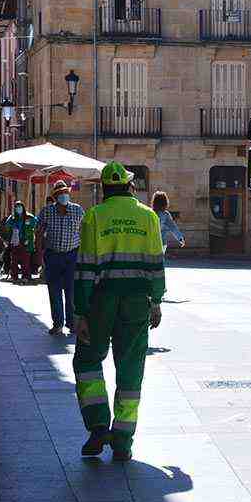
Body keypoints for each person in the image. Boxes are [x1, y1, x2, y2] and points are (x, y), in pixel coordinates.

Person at [72, 161, 165, 461]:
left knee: (87, 361)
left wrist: (80, 311)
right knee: (131, 369)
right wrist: (157, 300)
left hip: (100, 301)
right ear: (129, 185)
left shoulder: (94, 217)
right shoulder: (148, 216)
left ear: (103, 188)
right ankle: (123, 440)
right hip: (137, 301)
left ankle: (98, 424)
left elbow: (85, 267)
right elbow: (156, 264)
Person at [38, 180, 85, 335]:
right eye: (60, 193)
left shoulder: (78, 210)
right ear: (56, 196)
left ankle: (72, 323)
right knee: (54, 290)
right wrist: (39, 253)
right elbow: (39, 232)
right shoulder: (46, 211)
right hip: (53, 255)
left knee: (71, 291)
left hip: (72, 255)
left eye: (66, 193)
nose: (64, 195)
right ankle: (58, 323)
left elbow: (84, 232)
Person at [4, 200, 38, 283]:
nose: (18, 208)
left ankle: (26, 276)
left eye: (20, 206)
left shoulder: (29, 217)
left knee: (25, 261)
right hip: (15, 241)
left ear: (23, 207)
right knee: (14, 260)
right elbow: (7, 225)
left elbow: (36, 225)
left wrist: (31, 238)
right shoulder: (13, 218)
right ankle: (14, 276)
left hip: (25, 241)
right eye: (16, 207)